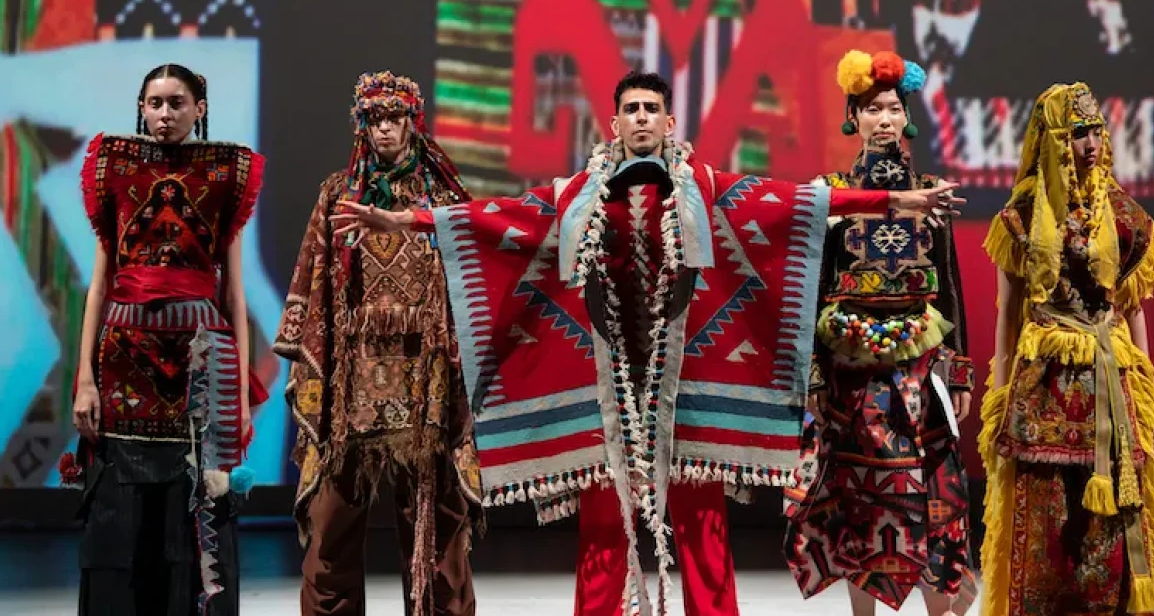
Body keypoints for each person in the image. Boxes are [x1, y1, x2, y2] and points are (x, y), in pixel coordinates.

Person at [331, 70, 964, 616]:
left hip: (684, 396)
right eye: (631, 108)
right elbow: (494, 216)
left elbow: (799, 202)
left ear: (668, 121)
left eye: (651, 108)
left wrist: (895, 200)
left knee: (705, 539)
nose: (640, 117)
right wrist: (403, 219)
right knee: (603, 544)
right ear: (614, 123)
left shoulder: (705, 189)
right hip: (608, 397)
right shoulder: (578, 197)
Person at [62, 63, 267, 615]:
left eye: (177, 103)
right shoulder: (114, 169)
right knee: (120, 516)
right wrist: (85, 379)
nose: (165, 114)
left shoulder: (226, 175)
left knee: (198, 505)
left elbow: (234, 293)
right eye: (155, 103)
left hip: (202, 359)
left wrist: (239, 396)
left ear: (200, 109)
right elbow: (100, 282)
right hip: (122, 356)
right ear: (141, 108)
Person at [274, 72, 481, 616]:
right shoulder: (337, 194)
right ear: (361, 126)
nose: (384, 128)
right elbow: (312, 287)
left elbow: (476, 277)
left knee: (438, 542)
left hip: (427, 387)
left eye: (394, 117)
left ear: (414, 121)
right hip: (351, 390)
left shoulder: (444, 199)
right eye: (374, 118)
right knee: (331, 536)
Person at [783, 50, 977, 616]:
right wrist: (810, 374)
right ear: (853, 117)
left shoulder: (932, 192)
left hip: (919, 371)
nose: (884, 119)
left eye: (893, 108)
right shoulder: (829, 194)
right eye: (872, 110)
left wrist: (960, 370)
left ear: (907, 116)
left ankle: (942, 606)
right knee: (859, 501)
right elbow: (814, 287)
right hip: (850, 375)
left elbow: (949, 287)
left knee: (936, 496)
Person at [977, 83, 1154, 616]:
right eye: (1077, 133)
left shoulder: (1125, 218)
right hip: (1044, 381)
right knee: (1044, 515)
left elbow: (1133, 308)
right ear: (1053, 141)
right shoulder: (1020, 218)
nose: (1090, 145)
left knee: (1111, 521)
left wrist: (1146, 386)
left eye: (1096, 132)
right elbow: (1008, 313)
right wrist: (999, 396)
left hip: (1110, 378)